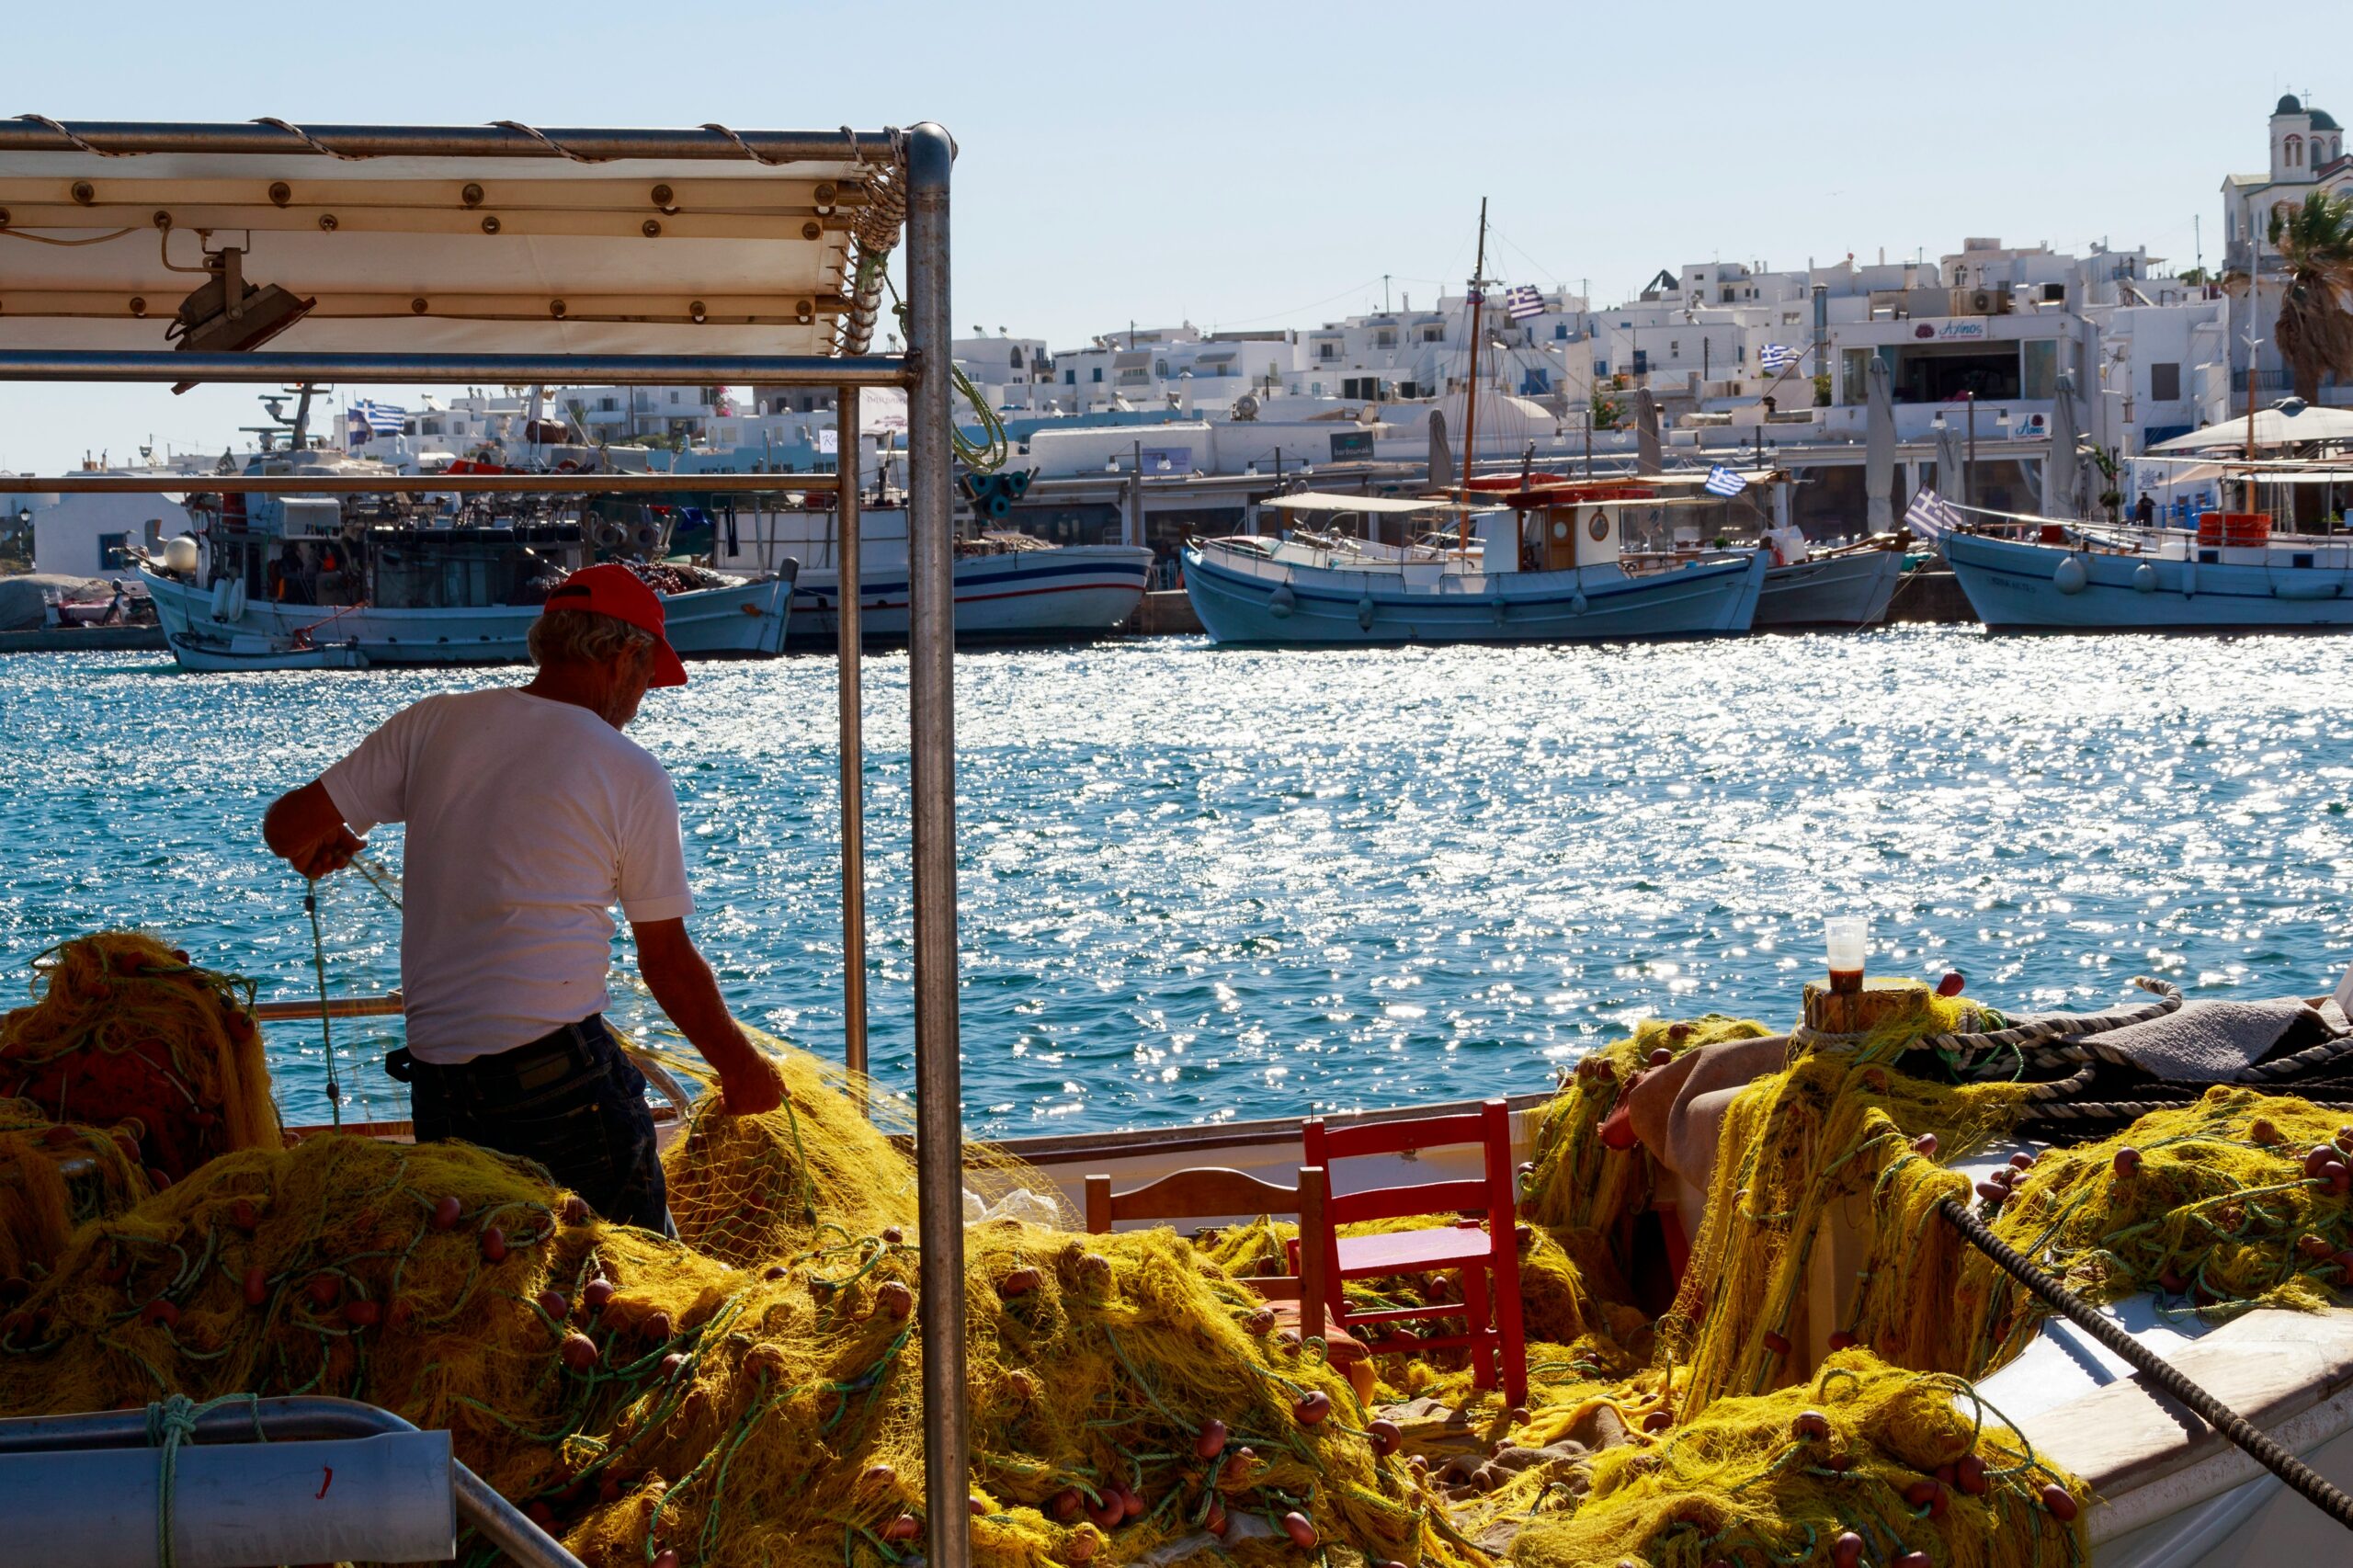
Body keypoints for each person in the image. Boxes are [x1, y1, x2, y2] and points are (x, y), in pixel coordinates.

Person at [261, 563, 785, 1229]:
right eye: (648, 680)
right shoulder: (631, 773)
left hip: (440, 1089)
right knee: (637, 1288)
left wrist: (326, 840)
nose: (640, 700)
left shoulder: (432, 723)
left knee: (496, 1282)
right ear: (623, 658)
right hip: (558, 1088)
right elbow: (666, 960)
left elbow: (286, 830)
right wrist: (741, 1069)